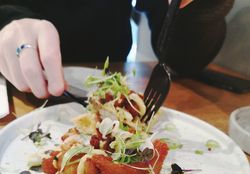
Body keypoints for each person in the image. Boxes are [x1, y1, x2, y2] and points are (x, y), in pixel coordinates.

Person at [0, 0, 234, 98]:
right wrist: (7, 21)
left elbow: (181, 58)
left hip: (112, 83)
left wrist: (206, 6)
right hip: (17, 91)